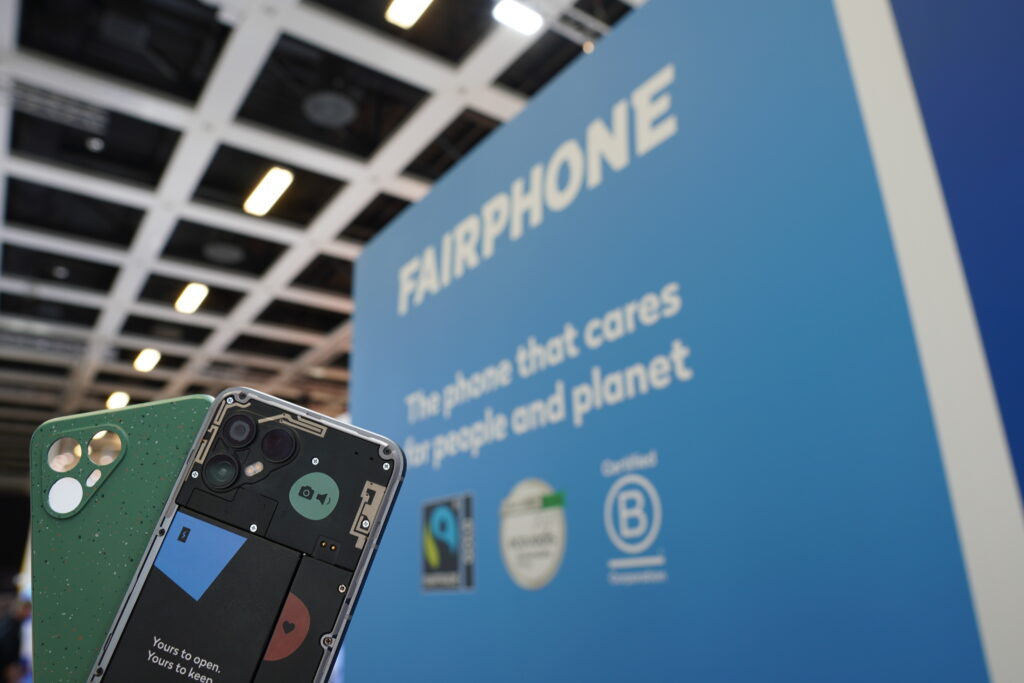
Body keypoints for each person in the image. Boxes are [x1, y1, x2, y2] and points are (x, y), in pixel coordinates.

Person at [0, 598, 30, 683]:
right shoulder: (10, 625)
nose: (28, 614)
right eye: (27, 610)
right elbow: (6, 645)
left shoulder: (13, 623)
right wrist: (10, 665)